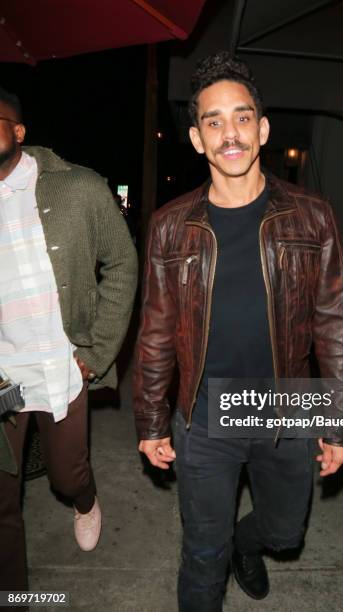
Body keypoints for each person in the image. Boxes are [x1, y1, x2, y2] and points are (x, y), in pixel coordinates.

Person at [133, 52, 343, 611]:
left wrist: (341, 425)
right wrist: (151, 419)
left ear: (261, 129)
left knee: (285, 534)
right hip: (204, 417)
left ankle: (247, 543)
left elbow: (335, 325)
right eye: (213, 121)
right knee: (201, 556)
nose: (228, 133)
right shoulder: (169, 227)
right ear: (196, 138)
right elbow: (157, 330)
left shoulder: (312, 215)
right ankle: (220, 551)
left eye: (240, 118)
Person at [0, 86, 138, 597]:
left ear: (18, 130)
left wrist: (98, 351)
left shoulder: (78, 187)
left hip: (61, 367)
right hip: (3, 380)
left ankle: (85, 499)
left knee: (65, 476)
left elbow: (122, 262)